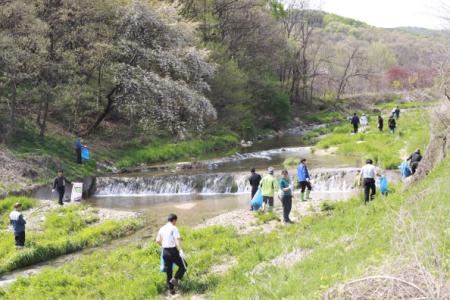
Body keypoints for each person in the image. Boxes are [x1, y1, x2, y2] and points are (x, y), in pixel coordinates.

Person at [156, 214, 187, 295]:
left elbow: (157, 240)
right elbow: (177, 240)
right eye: (175, 221)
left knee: (169, 271)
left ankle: (171, 291)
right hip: (173, 251)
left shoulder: (162, 228)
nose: (175, 223)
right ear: (174, 220)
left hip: (165, 251)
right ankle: (176, 279)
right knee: (184, 266)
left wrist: (163, 245)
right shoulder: (174, 228)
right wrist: (180, 250)